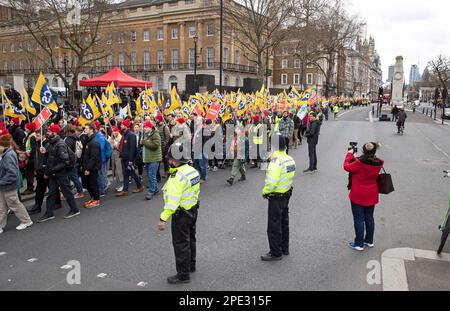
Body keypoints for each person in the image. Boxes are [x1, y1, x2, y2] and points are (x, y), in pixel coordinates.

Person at [157, 143, 200, 284]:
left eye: (170, 159)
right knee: (191, 239)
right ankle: (191, 265)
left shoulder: (177, 177)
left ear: (175, 160)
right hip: (193, 210)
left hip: (181, 214)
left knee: (181, 243)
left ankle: (183, 275)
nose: (169, 161)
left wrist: (162, 218)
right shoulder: (193, 171)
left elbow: (172, 202)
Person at [261, 134, 296, 261]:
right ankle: (284, 248)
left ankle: (275, 252)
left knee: (274, 225)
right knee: (284, 222)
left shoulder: (276, 162)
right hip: (286, 194)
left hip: (276, 196)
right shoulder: (290, 159)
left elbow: (271, 182)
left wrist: (265, 192)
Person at [343, 142, 384, 251]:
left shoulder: (359, 163)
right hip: (371, 193)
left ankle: (359, 243)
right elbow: (364, 161)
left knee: (359, 219)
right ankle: (369, 240)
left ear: (364, 151)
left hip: (358, 194)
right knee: (369, 217)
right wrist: (355, 157)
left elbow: (346, 166)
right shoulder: (378, 162)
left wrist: (349, 154)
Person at [37, 124, 80, 223]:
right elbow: (52, 158)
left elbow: (65, 161)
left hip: (61, 174)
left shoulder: (60, 144)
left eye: (49, 131)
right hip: (54, 174)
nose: (47, 132)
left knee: (67, 192)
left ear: (54, 133)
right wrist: (46, 152)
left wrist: (52, 169)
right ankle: (49, 213)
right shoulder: (52, 143)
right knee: (51, 194)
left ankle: (75, 210)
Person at [0, 126, 33, 234]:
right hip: (4, 185)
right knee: (2, 207)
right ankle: (0, 225)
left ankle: (26, 221)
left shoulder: (8, 155)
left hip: (8, 185)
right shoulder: (6, 153)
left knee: (14, 204)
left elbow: (12, 174)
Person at [29, 131, 62, 215]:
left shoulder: (47, 144)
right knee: (40, 189)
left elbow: (49, 159)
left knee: (51, 187)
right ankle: (38, 205)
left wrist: (46, 171)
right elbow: (37, 158)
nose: (36, 137)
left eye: (38, 135)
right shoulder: (38, 143)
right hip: (39, 170)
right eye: (35, 135)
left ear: (43, 136)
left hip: (45, 170)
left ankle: (57, 203)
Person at [116, 120, 144, 197]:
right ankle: (125, 190)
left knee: (132, 173)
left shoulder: (131, 135)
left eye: (122, 125)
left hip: (128, 159)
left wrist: (131, 160)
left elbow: (132, 148)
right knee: (126, 174)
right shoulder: (124, 134)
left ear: (126, 126)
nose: (121, 126)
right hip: (124, 157)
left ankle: (140, 186)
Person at [80, 123, 101, 208]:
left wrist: (88, 169)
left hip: (92, 168)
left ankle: (96, 200)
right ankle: (93, 197)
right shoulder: (87, 139)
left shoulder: (94, 142)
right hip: (86, 166)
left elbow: (94, 157)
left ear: (91, 130)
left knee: (93, 184)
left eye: (86, 128)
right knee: (87, 184)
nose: (85, 129)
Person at [141, 120, 162, 200]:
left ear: (150, 127)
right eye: (144, 127)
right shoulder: (147, 134)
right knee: (150, 175)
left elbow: (155, 146)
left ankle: (152, 190)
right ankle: (155, 189)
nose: (144, 128)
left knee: (151, 175)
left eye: (146, 127)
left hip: (154, 158)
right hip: (148, 158)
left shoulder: (155, 134)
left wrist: (144, 142)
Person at [63, 125, 84, 199]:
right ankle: (79, 191)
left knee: (73, 177)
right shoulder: (76, 137)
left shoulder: (68, 139)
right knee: (74, 177)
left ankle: (80, 192)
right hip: (76, 159)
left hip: (70, 161)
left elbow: (65, 150)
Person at [22, 122, 37, 195]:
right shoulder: (30, 135)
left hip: (30, 159)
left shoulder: (32, 136)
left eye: (26, 127)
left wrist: (29, 156)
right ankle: (29, 187)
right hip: (28, 157)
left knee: (29, 174)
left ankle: (30, 188)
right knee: (28, 173)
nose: (25, 128)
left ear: (29, 128)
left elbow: (34, 148)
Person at [109, 126, 123, 192]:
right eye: (113, 131)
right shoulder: (112, 138)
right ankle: (118, 184)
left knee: (119, 171)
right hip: (114, 156)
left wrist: (116, 145)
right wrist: (111, 141)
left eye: (116, 131)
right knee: (115, 171)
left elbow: (121, 149)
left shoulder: (120, 138)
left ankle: (122, 184)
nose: (114, 132)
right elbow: (110, 147)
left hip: (119, 156)